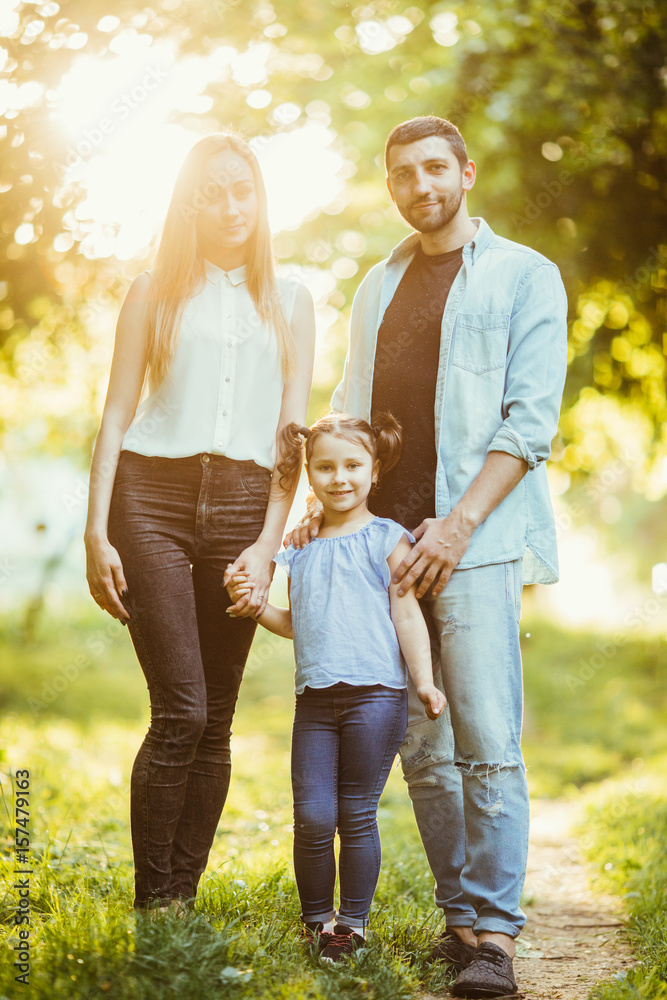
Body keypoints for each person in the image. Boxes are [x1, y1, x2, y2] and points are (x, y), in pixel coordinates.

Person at [288, 116, 568, 997]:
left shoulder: (525, 275)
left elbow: (529, 422)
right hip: (389, 553)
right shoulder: (378, 283)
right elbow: (350, 411)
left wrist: (455, 527)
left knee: (486, 742)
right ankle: (458, 924)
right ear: (391, 186)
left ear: (465, 173)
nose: (420, 184)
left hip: (475, 548)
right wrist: (316, 515)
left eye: (435, 167)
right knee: (422, 747)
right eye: (402, 172)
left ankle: (498, 938)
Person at [84, 131, 316, 915]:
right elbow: (115, 413)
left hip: (248, 504)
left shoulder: (290, 301)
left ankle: (181, 894)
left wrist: (267, 543)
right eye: (211, 192)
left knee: (216, 716)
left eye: (242, 190)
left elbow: (293, 435)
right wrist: (96, 531)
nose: (229, 206)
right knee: (179, 708)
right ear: (189, 202)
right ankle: (156, 900)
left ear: (260, 200)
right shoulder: (152, 291)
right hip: (150, 497)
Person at [226, 412, 446, 962]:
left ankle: (351, 924)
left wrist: (424, 682)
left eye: (352, 465)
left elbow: (408, 618)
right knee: (313, 816)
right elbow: (296, 622)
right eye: (324, 467)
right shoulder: (298, 546)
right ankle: (315, 920)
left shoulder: (387, 540)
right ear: (309, 474)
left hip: (376, 697)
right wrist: (256, 608)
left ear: (374, 472)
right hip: (316, 702)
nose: (338, 477)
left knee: (355, 812)